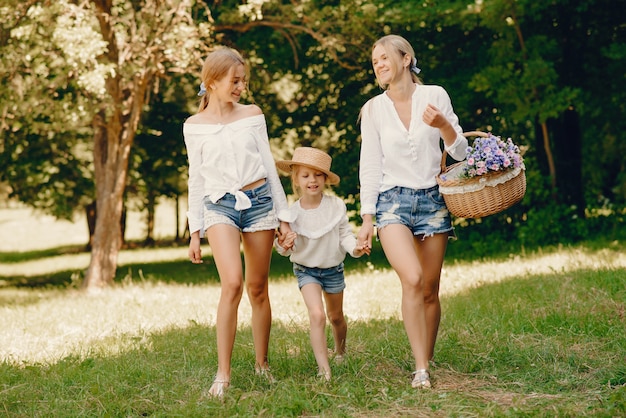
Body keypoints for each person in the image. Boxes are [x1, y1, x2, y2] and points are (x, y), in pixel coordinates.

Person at [357, 34, 468, 389]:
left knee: (431, 290)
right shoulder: (373, 109)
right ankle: (421, 369)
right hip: (392, 202)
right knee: (413, 279)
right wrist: (367, 218)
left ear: (406, 59)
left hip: (433, 201)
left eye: (384, 58)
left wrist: (444, 126)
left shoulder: (435, 95)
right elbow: (370, 165)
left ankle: (427, 356)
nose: (379, 65)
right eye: (375, 61)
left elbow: (462, 152)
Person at [183, 46, 292, 398]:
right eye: (234, 80)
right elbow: (195, 179)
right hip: (219, 206)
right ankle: (223, 375)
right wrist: (194, 231)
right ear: (212, 82)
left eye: (243, 80)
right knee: (232, 284)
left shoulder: (252, 115)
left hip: (258, 201)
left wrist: (284, 218)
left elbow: (270, 167)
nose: (240, 87)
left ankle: (262, 365)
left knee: (257, 288)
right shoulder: (194, 127)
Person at [274, 147, 370, 381]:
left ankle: (340, 351)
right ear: (296, 179)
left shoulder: (336, 206)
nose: (312, 180)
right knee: (317, 315)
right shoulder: (290, 214)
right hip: (306, 271)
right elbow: (284, 248)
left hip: (333, 269)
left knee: (336, 316)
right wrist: (284, 245)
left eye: (318, 175)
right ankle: (324, 370)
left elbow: (345, 235)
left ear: (325, 178)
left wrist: (355, 248)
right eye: (305, 175)